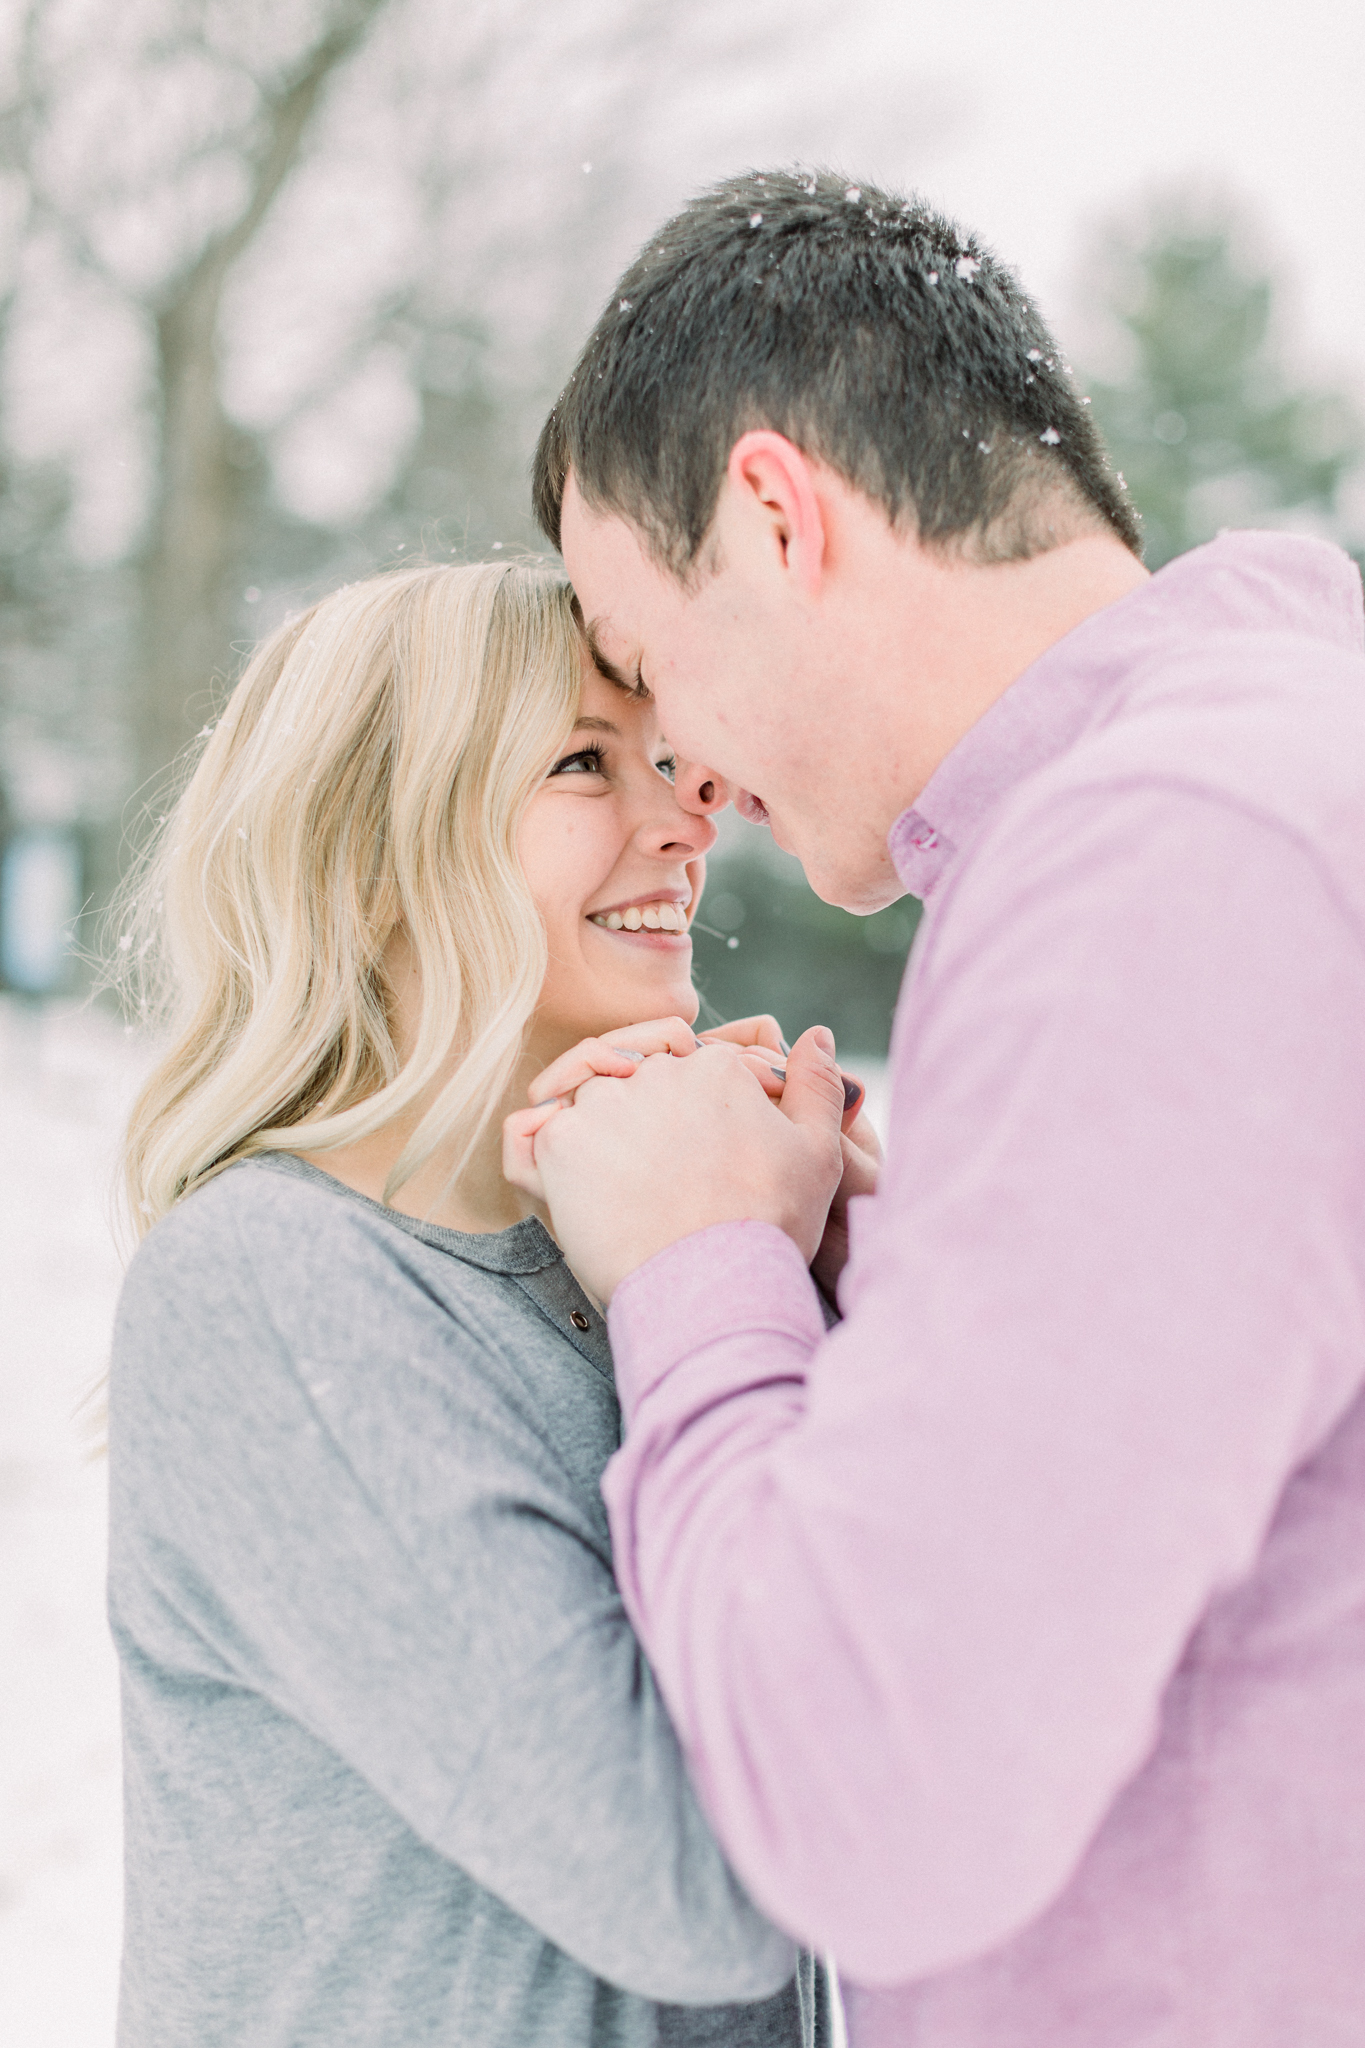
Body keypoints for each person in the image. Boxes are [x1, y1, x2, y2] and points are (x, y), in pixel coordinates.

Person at [508, 168, 1365, 2046]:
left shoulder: (1167, 859)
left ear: (771, 514)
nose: (695, 789)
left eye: (648, 665)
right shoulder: (1257, 796)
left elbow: (878, 1792)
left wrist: (698, 1267)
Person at [105, 560, 838, 2046]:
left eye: (673, 761)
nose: (690, 813)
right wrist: (724, 1284)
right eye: (583, 760)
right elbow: (702, 1894)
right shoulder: (271, 1285)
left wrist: (818, 1280)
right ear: (370, 856)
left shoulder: (632, 1269)